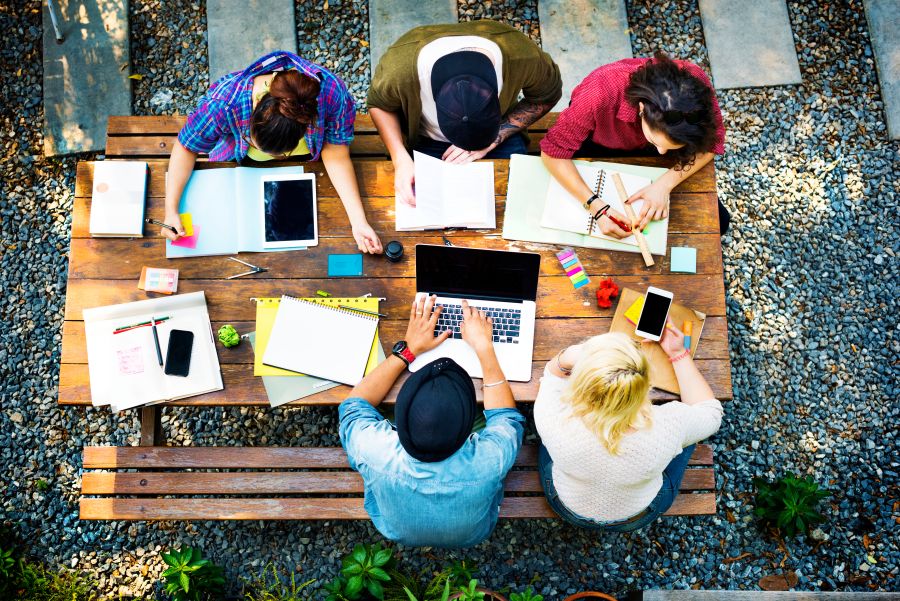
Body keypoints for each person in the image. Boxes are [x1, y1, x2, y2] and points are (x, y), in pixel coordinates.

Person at [339, 295, 525, 547]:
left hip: (395, 530)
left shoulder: (374, 449)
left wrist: (408, 351)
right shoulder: (490, 460)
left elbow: (354, 406)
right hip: (472, 535)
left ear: (401, 420)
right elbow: (506, 418)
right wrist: (484, 348)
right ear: (468, 426)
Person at [162, 50, 383, 254]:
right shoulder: (224, 101)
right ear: (258, 101)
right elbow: (186, 147)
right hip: (237, 164)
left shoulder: (332, 94)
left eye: (283, 153)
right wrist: (171, 210)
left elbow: (335, 153)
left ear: (307, 124)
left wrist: (359, 221)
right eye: (253, 140)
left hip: (310, 168)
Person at [534, 327, 723, 531]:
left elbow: (552, 375)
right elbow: (711, 413)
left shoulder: (555, 418)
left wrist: (570, 355)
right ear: (644, 384)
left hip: (566, 505)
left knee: (547, 443)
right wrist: (678, 354)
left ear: (581, 383)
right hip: (636, 515)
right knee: (686, 438)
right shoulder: (670, 424)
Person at [367, 21, 562, 206]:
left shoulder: (521, 56)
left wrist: (495, 138)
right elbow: (379, 105)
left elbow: (547, 94)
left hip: (498, 135)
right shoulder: (400, 72)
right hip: (428, 140)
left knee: (519, 203)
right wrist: (400, 159)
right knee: (420, 206)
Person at [540, 52, 730, 235]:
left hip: (660, 159)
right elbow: (552, 153)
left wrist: (664, 184)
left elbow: (711, 143)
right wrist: (596, 207)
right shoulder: (597, 93)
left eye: (669, 146)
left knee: (719, 222)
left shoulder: (694, 83)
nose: (662, 152)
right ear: (641, 108)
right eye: (656, 141)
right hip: (600, 143)